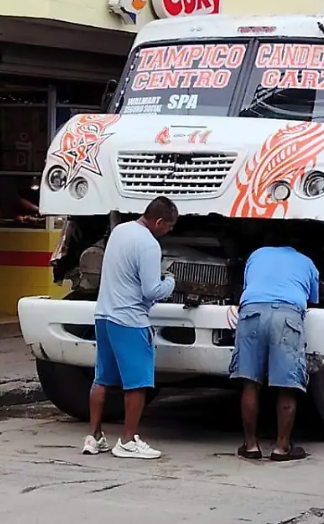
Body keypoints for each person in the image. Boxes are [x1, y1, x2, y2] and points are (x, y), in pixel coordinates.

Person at [82, 196, 178, 459]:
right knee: (137, 383)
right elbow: (151, 291)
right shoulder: (149, 244)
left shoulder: (120, 231)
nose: (169, 231)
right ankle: (127, 441)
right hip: (130, 320)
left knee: (101, 379)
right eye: (168, 226)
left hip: (104, 315)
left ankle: (94, 436)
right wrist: (170, 282)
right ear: (158, 222)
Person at [230, 236, 319, 461]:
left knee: (250, 382)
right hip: (287, 316)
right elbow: (314, 300)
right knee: (286, 385)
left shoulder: (256, 255)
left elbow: (247, 283)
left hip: (251, 312)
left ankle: (250, 446)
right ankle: (282, 448)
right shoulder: (307, 262)